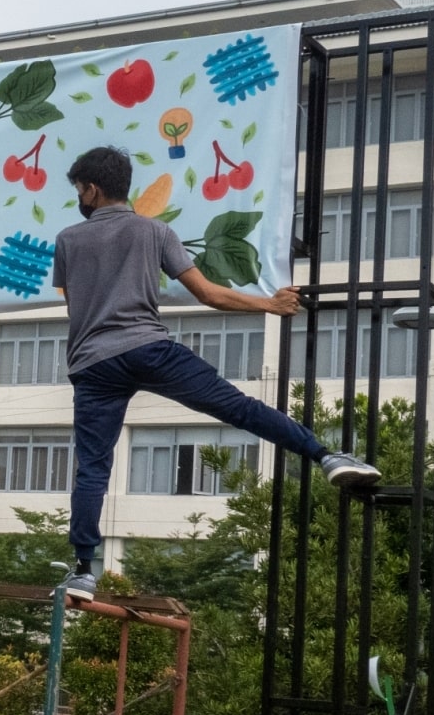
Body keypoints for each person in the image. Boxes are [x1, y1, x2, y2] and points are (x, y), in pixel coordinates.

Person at [53, 146, 380, 597]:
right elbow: (207, 293)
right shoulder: (155, 231)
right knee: (238, 408)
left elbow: (75, 307)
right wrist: (270, 303)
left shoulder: (68, 239)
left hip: (92, 365)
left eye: (79, 189)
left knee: (93, 468)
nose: (79, 197)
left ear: (91, 188)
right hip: (148, 347)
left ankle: (84, 570)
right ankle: (327, 457)